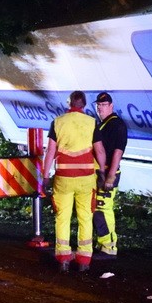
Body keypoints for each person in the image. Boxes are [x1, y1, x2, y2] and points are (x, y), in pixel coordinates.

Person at [41, 90, 106, 272]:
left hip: (64, 179)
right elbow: (100, 151)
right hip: (86, 179)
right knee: (85, 217)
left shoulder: (58, 122)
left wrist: (46, 176)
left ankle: (63, 259)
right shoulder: (92, 123)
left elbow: (50, 152)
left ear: (69, 104)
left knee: (62, 217)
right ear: (84, 105)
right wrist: (102, 171)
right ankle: (84, 260)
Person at [92, 92, 127, 259]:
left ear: (111, 106)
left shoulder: (117, 125)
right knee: (99, 208)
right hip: (102, 173)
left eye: (103, 105)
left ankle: (109, 247)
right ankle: (104, 243)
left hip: (108, 174)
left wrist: (111, 176)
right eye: (98, 105)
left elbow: (117, 152)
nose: (100, 108)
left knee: (102, 209)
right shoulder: (103, 124)